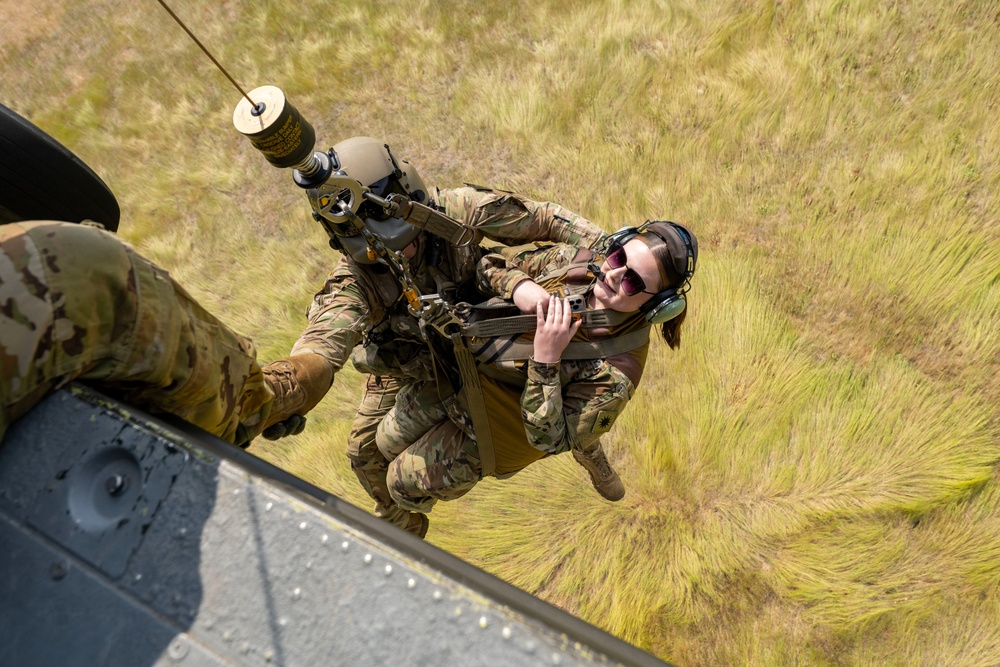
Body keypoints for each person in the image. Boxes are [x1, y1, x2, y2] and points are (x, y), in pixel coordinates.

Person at [256, 136, 625, 537]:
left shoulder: (455, 211)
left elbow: (544, 219)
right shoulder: (357, 279)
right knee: (363, 454)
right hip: (413, 363)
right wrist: (277, 391)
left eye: (409, 238)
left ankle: (591, 456)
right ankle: (407, 533)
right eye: (386, 250)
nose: (405, 254)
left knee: (567, 403)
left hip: (487, 328)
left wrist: (615, 250)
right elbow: (321, 345)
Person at [372, 221, 698, 524]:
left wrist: (546, 360)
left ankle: (408, 528)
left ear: (656, 305)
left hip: (499, 432)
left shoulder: (618, 370)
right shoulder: (573, 263)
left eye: (633, 282)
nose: (612, 275)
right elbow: (486, 266)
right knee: (383, 442)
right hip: (469, 379)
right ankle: (591, 451)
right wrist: (518, 285)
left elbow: (551, 441)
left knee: (399, 486)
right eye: (618, 257)